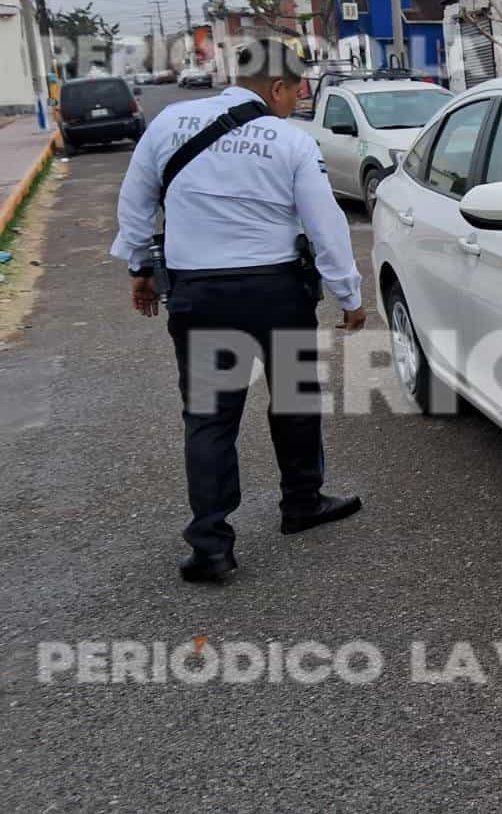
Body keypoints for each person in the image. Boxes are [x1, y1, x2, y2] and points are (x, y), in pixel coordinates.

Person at [110, 38, 367, 583]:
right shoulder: (292, 141)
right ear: (277, 87)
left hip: (199, 294)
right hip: (277, 291)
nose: (297, 101)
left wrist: (139, 269)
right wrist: (349, 296)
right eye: (296, 91)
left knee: (208, 417)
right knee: (295, 399)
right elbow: (325, 223)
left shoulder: (170, 123)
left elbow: (135, 203)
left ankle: (211, 545)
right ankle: (302, 503)